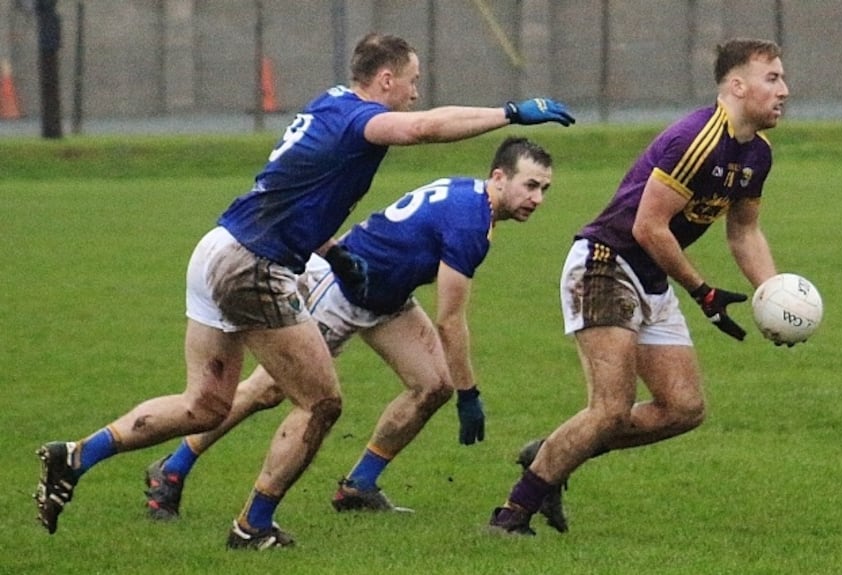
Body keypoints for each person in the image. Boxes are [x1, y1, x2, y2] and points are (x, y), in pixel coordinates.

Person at [34, 31, 574, 550]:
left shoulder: (329, 104)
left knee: (204, 405)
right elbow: (421, 129)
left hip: (220, 247)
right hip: (254, 264)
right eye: (411, 81)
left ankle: (76, 455)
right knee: (318, 402)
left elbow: (301, 192)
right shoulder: (364, 119)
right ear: (385, 80)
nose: (415, 94)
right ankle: (252, 527)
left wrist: (336, 251)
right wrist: (510, 111)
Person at [142, 137, 554, 522]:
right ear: (499, 177)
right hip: (340, 291)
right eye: (530, 185)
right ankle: (172, 469)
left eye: (544, 190)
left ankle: (359, 485)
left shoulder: (470, 196)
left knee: (433, 384)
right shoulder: (471, 224)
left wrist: (458, 388)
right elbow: (450, 320)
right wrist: (471, 395)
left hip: (385, 298)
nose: (536, 199)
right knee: (264, 391)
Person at [487, 38, 790, 536]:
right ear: (737, 86)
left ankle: (556, 449)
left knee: (683, 408)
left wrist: (771, 295)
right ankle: (510, 516)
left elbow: (744, 231)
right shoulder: (694, 140)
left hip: (648, 275)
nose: (785, 90)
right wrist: (703, 291)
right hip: (605, 263)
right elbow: (649, 227)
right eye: (772, 78)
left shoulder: (758, 154)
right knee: (609, 408)